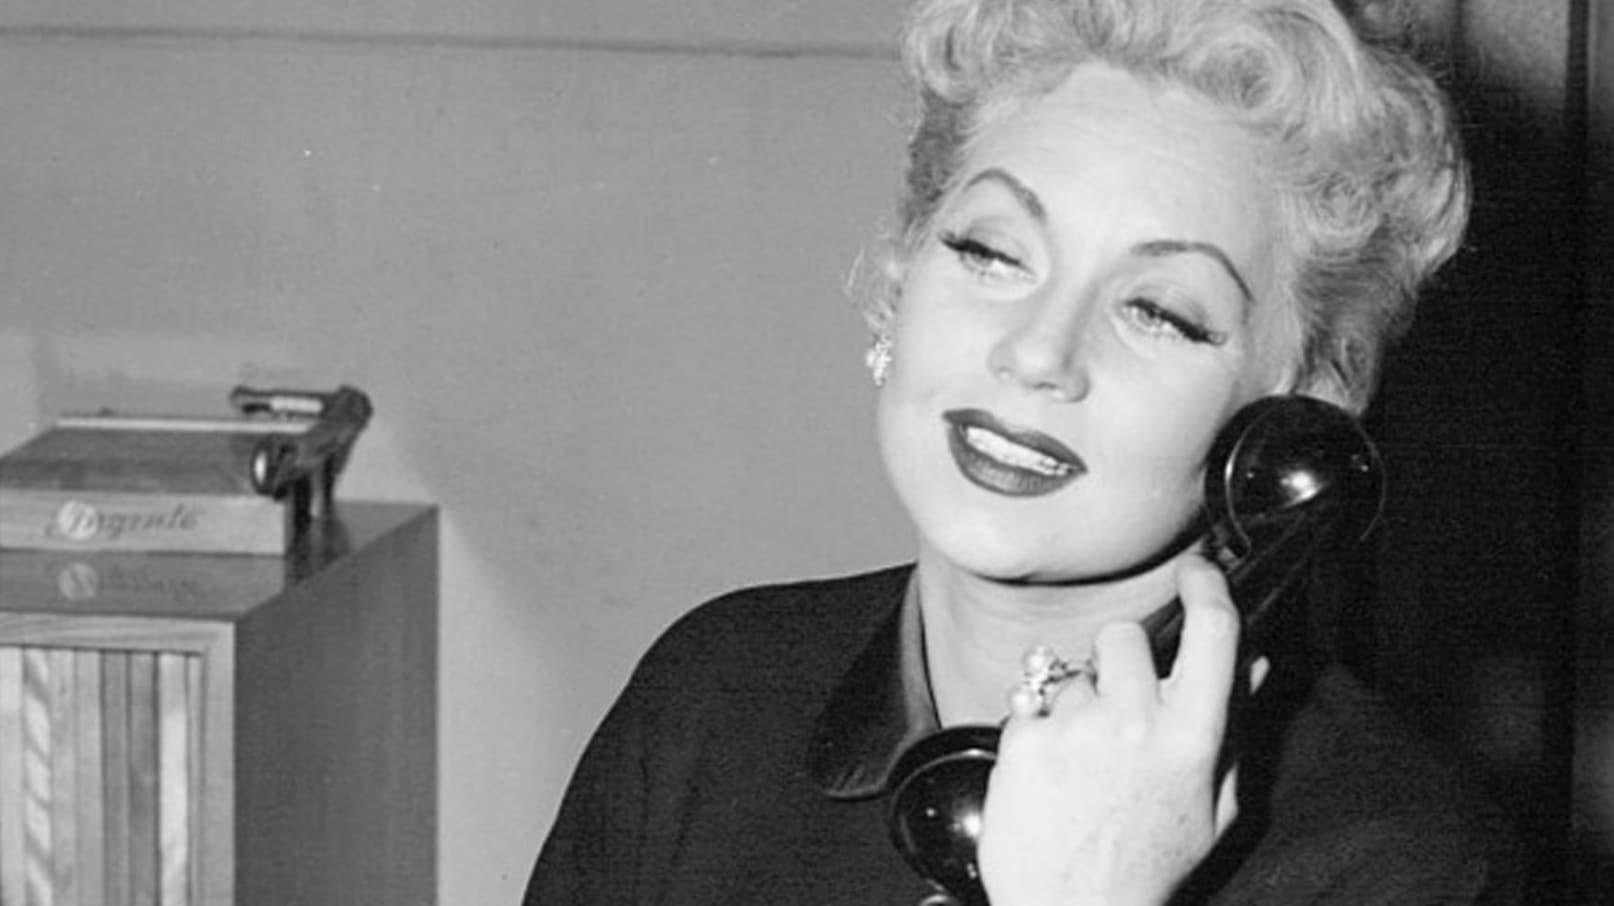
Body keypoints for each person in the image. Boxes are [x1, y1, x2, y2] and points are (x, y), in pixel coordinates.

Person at [525, 0, 1523, 903]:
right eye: (993, 254)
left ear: (1298, 417)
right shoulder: (716, 695)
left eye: (1159, 312)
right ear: (901, 274)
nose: (1039, 353)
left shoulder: (1397, 860)